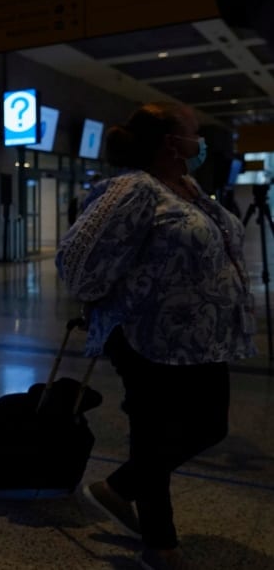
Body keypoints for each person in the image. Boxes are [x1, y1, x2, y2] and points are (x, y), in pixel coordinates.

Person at [56, 101, 255, 570]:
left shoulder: (186, 187)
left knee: (210, 426)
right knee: (153, 433)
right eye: (194, 132)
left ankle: (119, 488)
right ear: (171, 142)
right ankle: (160, 545)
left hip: (200, 339)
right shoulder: (132, 189)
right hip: (147, 336)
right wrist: (110, 300)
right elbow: (78, 258)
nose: (201, 140)